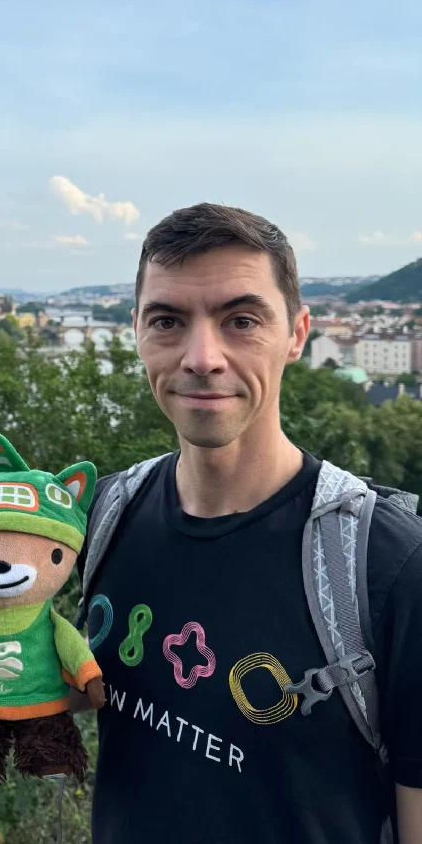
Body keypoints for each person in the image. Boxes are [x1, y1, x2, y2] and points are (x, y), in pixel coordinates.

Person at [74, 203, 422, 844]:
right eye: (168, 321)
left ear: (297, 333)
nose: (201, 357)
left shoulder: (389, 565)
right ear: (137, 332)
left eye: (241, 320)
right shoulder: (104, 515)